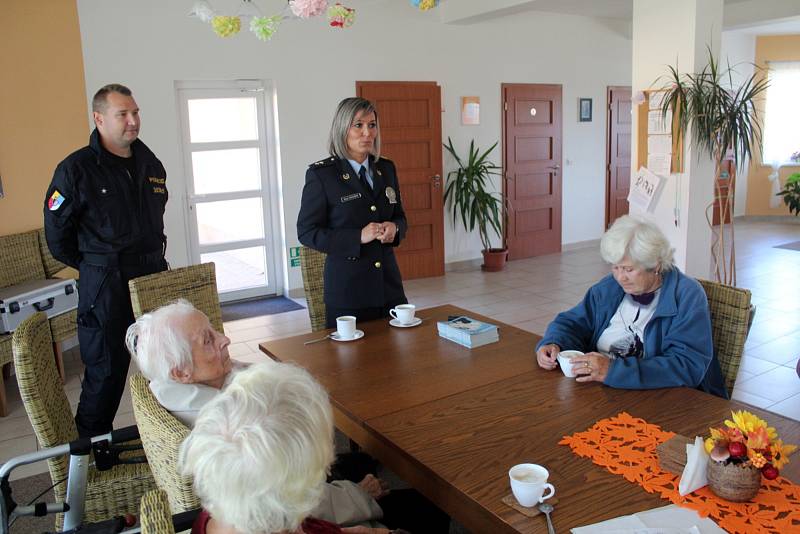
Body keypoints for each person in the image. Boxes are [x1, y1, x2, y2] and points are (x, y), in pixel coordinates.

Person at [127, 301, 449, 532]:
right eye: (208, 340)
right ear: (181, 371)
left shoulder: (179, 388)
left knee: (365, 459)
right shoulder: (230, 426)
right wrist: (359, 496)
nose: (225, 339)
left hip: (288, 492)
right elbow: (297, 501)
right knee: (431, 507)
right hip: (311, 502)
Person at [44, 83, 168, 437]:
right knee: (106, 373)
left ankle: (166, 442)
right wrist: (95, 264)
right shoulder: (76, 170)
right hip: (105, 284)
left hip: (149, 275)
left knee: (165, 364)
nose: (133, 121)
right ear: (99, 118)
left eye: (136, 112)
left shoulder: (150, 164)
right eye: (123, 114)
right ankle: (91, 454)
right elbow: (57, 237)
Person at [535, 215, 727, 398]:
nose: (620, 277)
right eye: (615, 267)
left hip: (658, 399)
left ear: (656, 265)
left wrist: (613, 370)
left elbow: (687, 365)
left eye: (629, 269)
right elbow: (572, 323)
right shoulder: (609, 288)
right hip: (599, 391)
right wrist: (554, 342)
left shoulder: (686, 295)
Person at [297, 97, 407, 328]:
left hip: (389, 287)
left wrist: (395, 228)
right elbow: (307, 232)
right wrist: (357, 236)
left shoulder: (386, 169)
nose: (367, 133)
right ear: (342, 128)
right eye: (358, 125)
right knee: (350, 361)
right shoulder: (322, 175)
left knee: (397, 356)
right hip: (348, 291)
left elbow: (400, 217)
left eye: (372, 125)